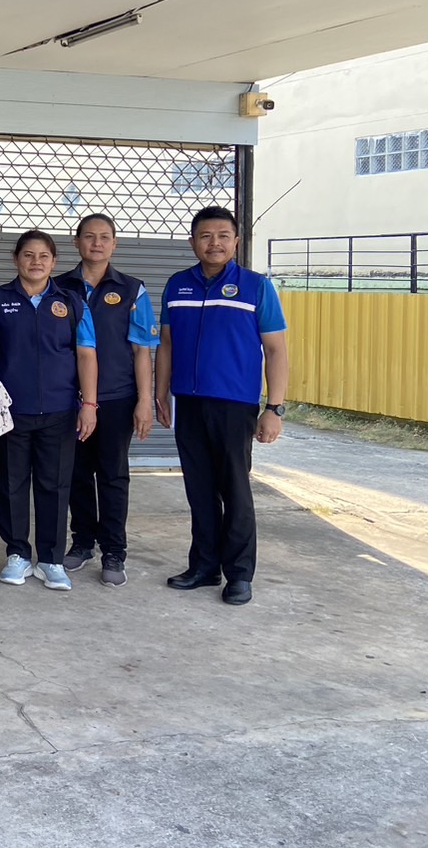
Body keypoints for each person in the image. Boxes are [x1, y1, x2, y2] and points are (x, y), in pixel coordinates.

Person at [156, 205, 288, 606]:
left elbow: (276, 350)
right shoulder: (177, 285)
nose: (214, 243)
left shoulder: (256, 287)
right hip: (189, 403)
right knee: (199, 489)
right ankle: (204, 566)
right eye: (205, 236)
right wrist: (160, 393)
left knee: (234, 490)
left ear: (236, 241)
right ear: (192, 242)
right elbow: (166, 345)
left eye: (223, 236)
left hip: (234, 405)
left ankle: (240, 574)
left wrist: (274, 408)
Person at [0, 230, 98, 592]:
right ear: (16, 259)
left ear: (54, 262)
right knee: (10, 483)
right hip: (9, 413)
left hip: (60, 410)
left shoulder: (72, 302)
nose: (36, 262)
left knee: (55, 484)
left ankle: (51, 559)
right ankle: (17, 553)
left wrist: (89, 404)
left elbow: (86, 355)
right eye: (28, 255)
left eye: (43, 256)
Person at [56, 214, 159, 587]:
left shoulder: (132, 290)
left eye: (104, 237)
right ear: (76, 242)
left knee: (113, 474)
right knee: (76, 472)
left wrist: (145, 400)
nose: (96, 243)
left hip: (117, 397)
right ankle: (82, 542)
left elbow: (143, 350)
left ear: (114, 244)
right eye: (89, 236)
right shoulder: (57, 286)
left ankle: (114, 551)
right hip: (69, 397)